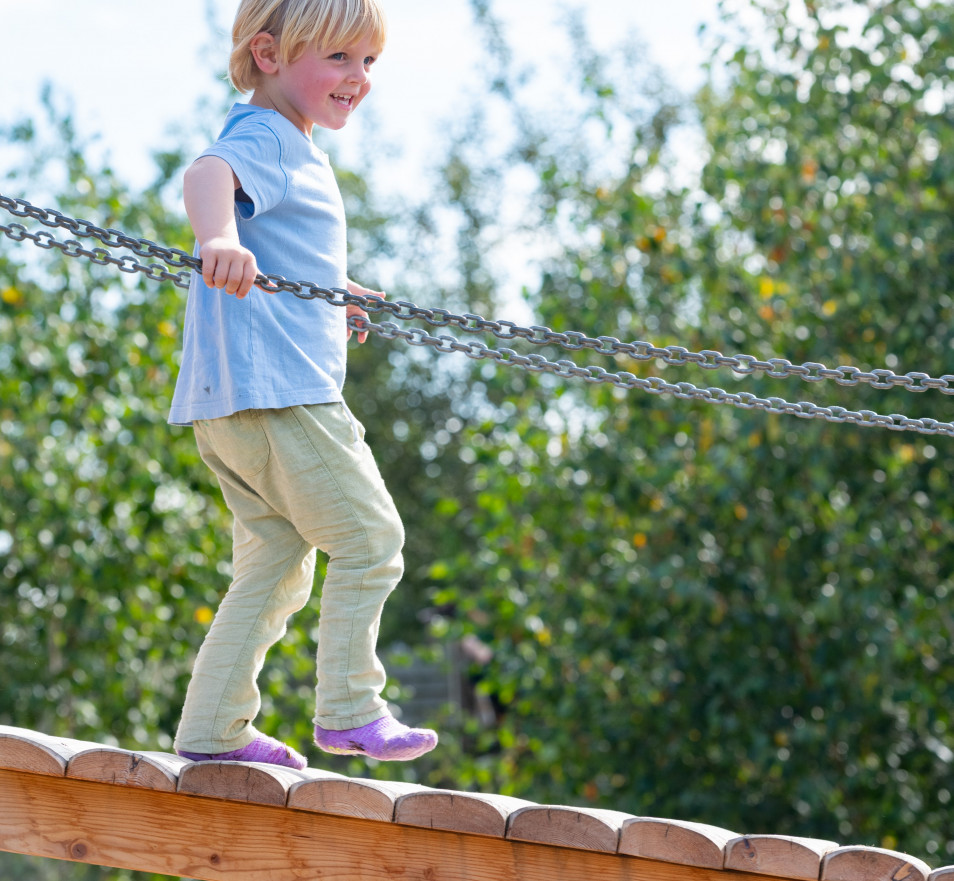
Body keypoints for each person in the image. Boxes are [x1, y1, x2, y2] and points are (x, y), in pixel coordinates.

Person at [167, 0, 437, 768]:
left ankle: (213, 727)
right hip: (282, 395)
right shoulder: (268, 136)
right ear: (269, 54)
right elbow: (209, 172)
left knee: (276, 566)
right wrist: (215, 237)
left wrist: (334, 286)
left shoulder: (291, 144)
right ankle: (351, 707)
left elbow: (276, 237)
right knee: (371, 539)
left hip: (231, 405)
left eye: (369, 62)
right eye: (340, 58)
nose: (358, 78)